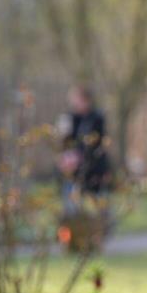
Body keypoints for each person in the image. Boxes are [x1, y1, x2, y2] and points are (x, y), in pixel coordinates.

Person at [57, 85, 113, 213]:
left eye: (76, 99)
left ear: (85, 100)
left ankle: (102, 227)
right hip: (75, 171)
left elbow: (97, 143)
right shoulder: (72, 118)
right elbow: (67, 143)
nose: (73, 103)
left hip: (94, 168)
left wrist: (80, 156)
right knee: (70, 200)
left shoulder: (97, 118)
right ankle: (74, 225)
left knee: (100, 203)